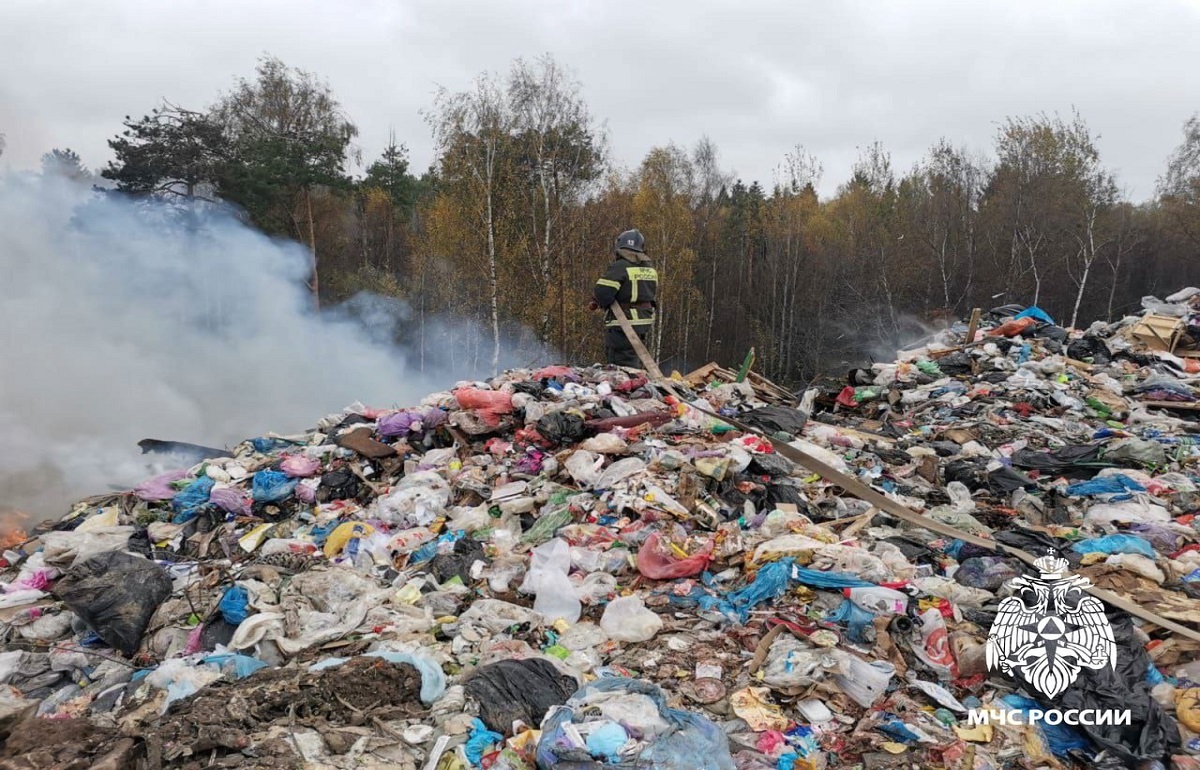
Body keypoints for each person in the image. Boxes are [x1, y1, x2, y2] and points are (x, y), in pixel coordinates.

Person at [590, 229, 658, 368]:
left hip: (624, 322)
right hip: (643, 321)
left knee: (620, 364)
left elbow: (602, 292)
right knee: (632, 356)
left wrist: (602, 303)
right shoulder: (649, 267)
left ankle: (625, 387)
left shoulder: (621, 266)